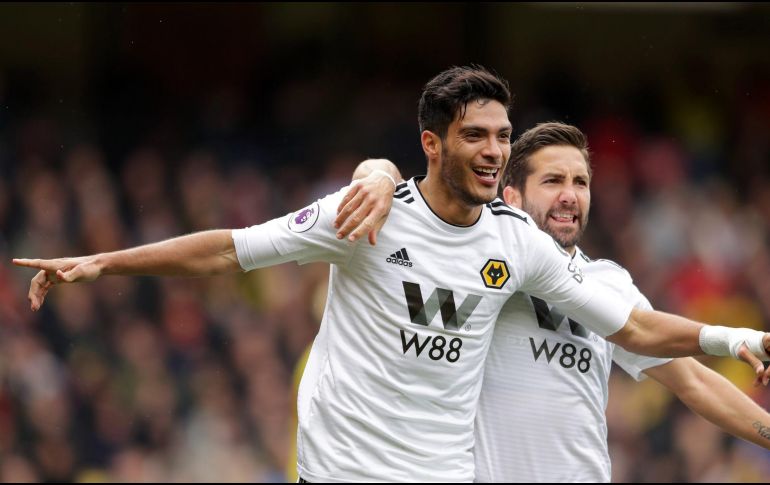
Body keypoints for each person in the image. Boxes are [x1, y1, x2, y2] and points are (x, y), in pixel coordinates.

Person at [12, 66, 770, 482]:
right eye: (477, 135)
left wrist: (732, 336)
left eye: (503, 136)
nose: (494, 148)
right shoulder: (370, 216)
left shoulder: (539, 258)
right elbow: (230, 248)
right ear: (433, 145)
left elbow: (648, 340)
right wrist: (104, 262)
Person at [342, 122, 770, 482]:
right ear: (510, 198)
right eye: (552, 181)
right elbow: (389, 178)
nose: (570, 195)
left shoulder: (608, 283)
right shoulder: (472, 260)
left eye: (579, 182)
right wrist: (378, 176)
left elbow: (693, 382)